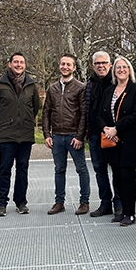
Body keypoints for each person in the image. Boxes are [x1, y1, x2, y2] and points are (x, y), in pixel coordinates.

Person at [0, 52, 41, 217]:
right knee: (4, 169)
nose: (19, 65)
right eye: (15, 62)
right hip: (7, 135)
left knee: (22, 169)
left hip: (25, 134)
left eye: (21, 62)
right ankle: (1, 202)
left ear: (25, 65)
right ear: (9, 64)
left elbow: (35, 107)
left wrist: (26, 122)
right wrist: (4, 125)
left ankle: (21, 202)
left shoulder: (31, 85)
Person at [97, 56, 136, 226]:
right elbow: (99, 115)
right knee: (116, 177)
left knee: (127, 177)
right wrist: (106, 129)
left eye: (124, 67)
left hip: (129, 141)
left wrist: (117, 127)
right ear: (114, 71)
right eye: (118, 67)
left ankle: (129, 213)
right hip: (112, 142)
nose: (121, 70)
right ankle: (121, 211)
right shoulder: (108, 91)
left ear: (129, 70)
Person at [43, 54, 91, 215]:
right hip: (56, 136)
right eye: (62, 64)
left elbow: (84, 114)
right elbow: (46, 113)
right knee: (59, 170)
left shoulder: (80, 87)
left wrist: (79, 136)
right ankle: (59, 202)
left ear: (74, 67)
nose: (65, 67)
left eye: (68, 64)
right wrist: (46, 134)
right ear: (59, 66)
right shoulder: (52, 88)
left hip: (73, 136)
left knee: (81, 169)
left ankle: (84, 202)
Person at [85, 51, 122, 218]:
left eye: (104, 63)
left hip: (113, 133)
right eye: (97, 63)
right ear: (93, 66)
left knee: (117, 169)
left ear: (110, 64)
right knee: (100, 170)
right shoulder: (90, 85)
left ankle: (119, 204)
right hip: (95, 133)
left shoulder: (116, 83)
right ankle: (105, 203)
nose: (101, 66)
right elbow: (86, 109)